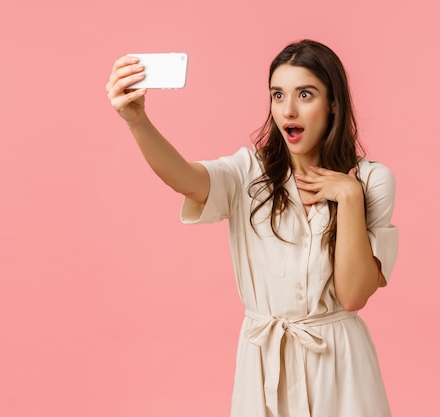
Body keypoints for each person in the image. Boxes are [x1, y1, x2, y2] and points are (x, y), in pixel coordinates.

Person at [106, 39, 398, 417]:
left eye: (305, 94)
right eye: (278, 95)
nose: (288, 109)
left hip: (340, 366)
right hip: (264, 363)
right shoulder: (249, 174)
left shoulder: (372, 180)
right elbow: (185, 178)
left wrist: (350, 198)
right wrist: (137, 121)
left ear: (333, 105)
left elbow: (354, 296)